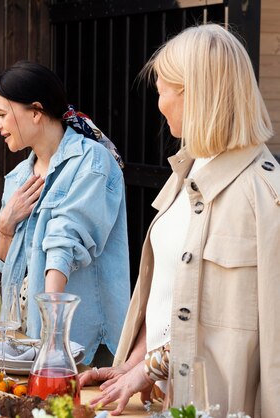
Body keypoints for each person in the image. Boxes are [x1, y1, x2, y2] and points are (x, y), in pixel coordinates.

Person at [79, 24, 279, 417]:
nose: (159, 104)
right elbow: (166, 293)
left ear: (192, 92)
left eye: (162, 91)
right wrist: (132, 365)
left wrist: (148, 369)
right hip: (159, 401)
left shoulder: (263, 195)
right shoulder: (186, 171)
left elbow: (221, 323)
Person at [0, 61, 130, 365]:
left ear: (36, 111)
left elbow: (64, 241)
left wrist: (53, 339)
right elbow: (4, 269)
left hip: (79, 340)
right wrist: (5, 226)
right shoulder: (17, 179)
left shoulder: (92, 161)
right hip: (27, 336)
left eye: (2, 114)